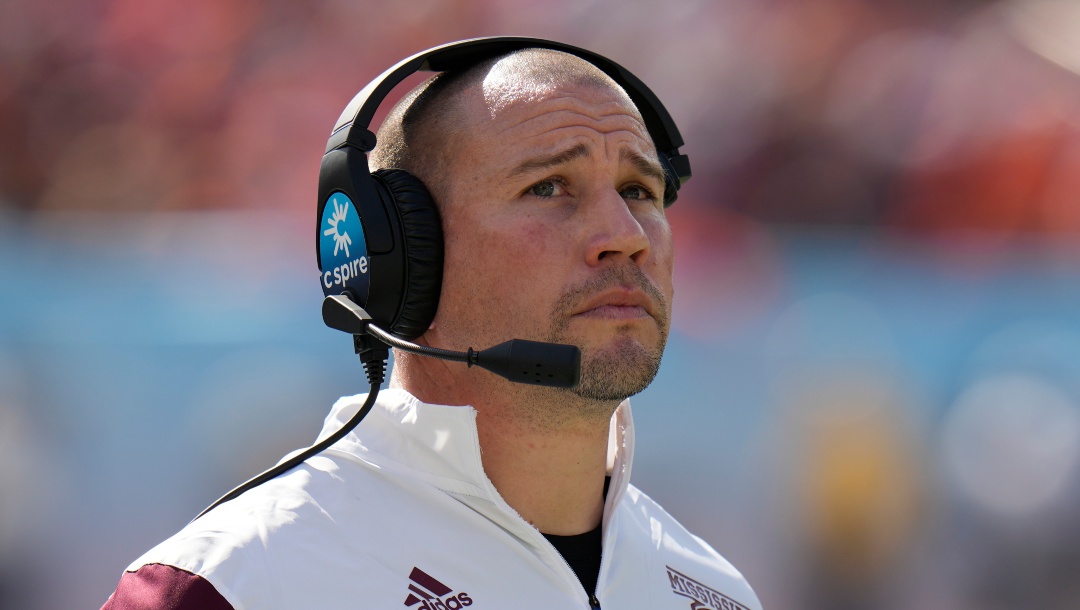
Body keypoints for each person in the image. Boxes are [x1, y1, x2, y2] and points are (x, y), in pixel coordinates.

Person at [101, 41, 762, 610]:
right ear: (406, 257)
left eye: (640, 191)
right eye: (549, 187)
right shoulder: (233, 585)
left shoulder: (714, 590)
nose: (624, 237)